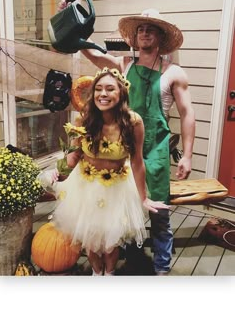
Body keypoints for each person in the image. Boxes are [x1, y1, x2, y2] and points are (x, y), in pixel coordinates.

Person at [58, 0, 196, 275]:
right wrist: (68, 19)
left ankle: (161, 268)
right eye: (141, 29)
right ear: (135, 36)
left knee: (158, 212)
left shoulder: (173, 72)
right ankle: (130, 259)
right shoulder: (124, 64)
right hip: (121, 149)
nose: (144, 34)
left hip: (154, 149)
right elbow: (94, 56)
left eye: (151, 30)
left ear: (161, 38)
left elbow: (187, 113)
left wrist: (188, 155)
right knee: (121, 209)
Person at [49, 68, 169, 275]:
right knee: (91, 236)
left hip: (117, 186)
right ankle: (97, 272)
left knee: (111, 240)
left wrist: (143, 198)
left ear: (121, 93)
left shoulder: (133, 122)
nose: (103, 94)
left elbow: (137, 162)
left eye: (110, 89)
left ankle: (110, 273)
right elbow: (75, 154)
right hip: (85, 184)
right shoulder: (84, 120)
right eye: (98, 89)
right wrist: (60, 169)